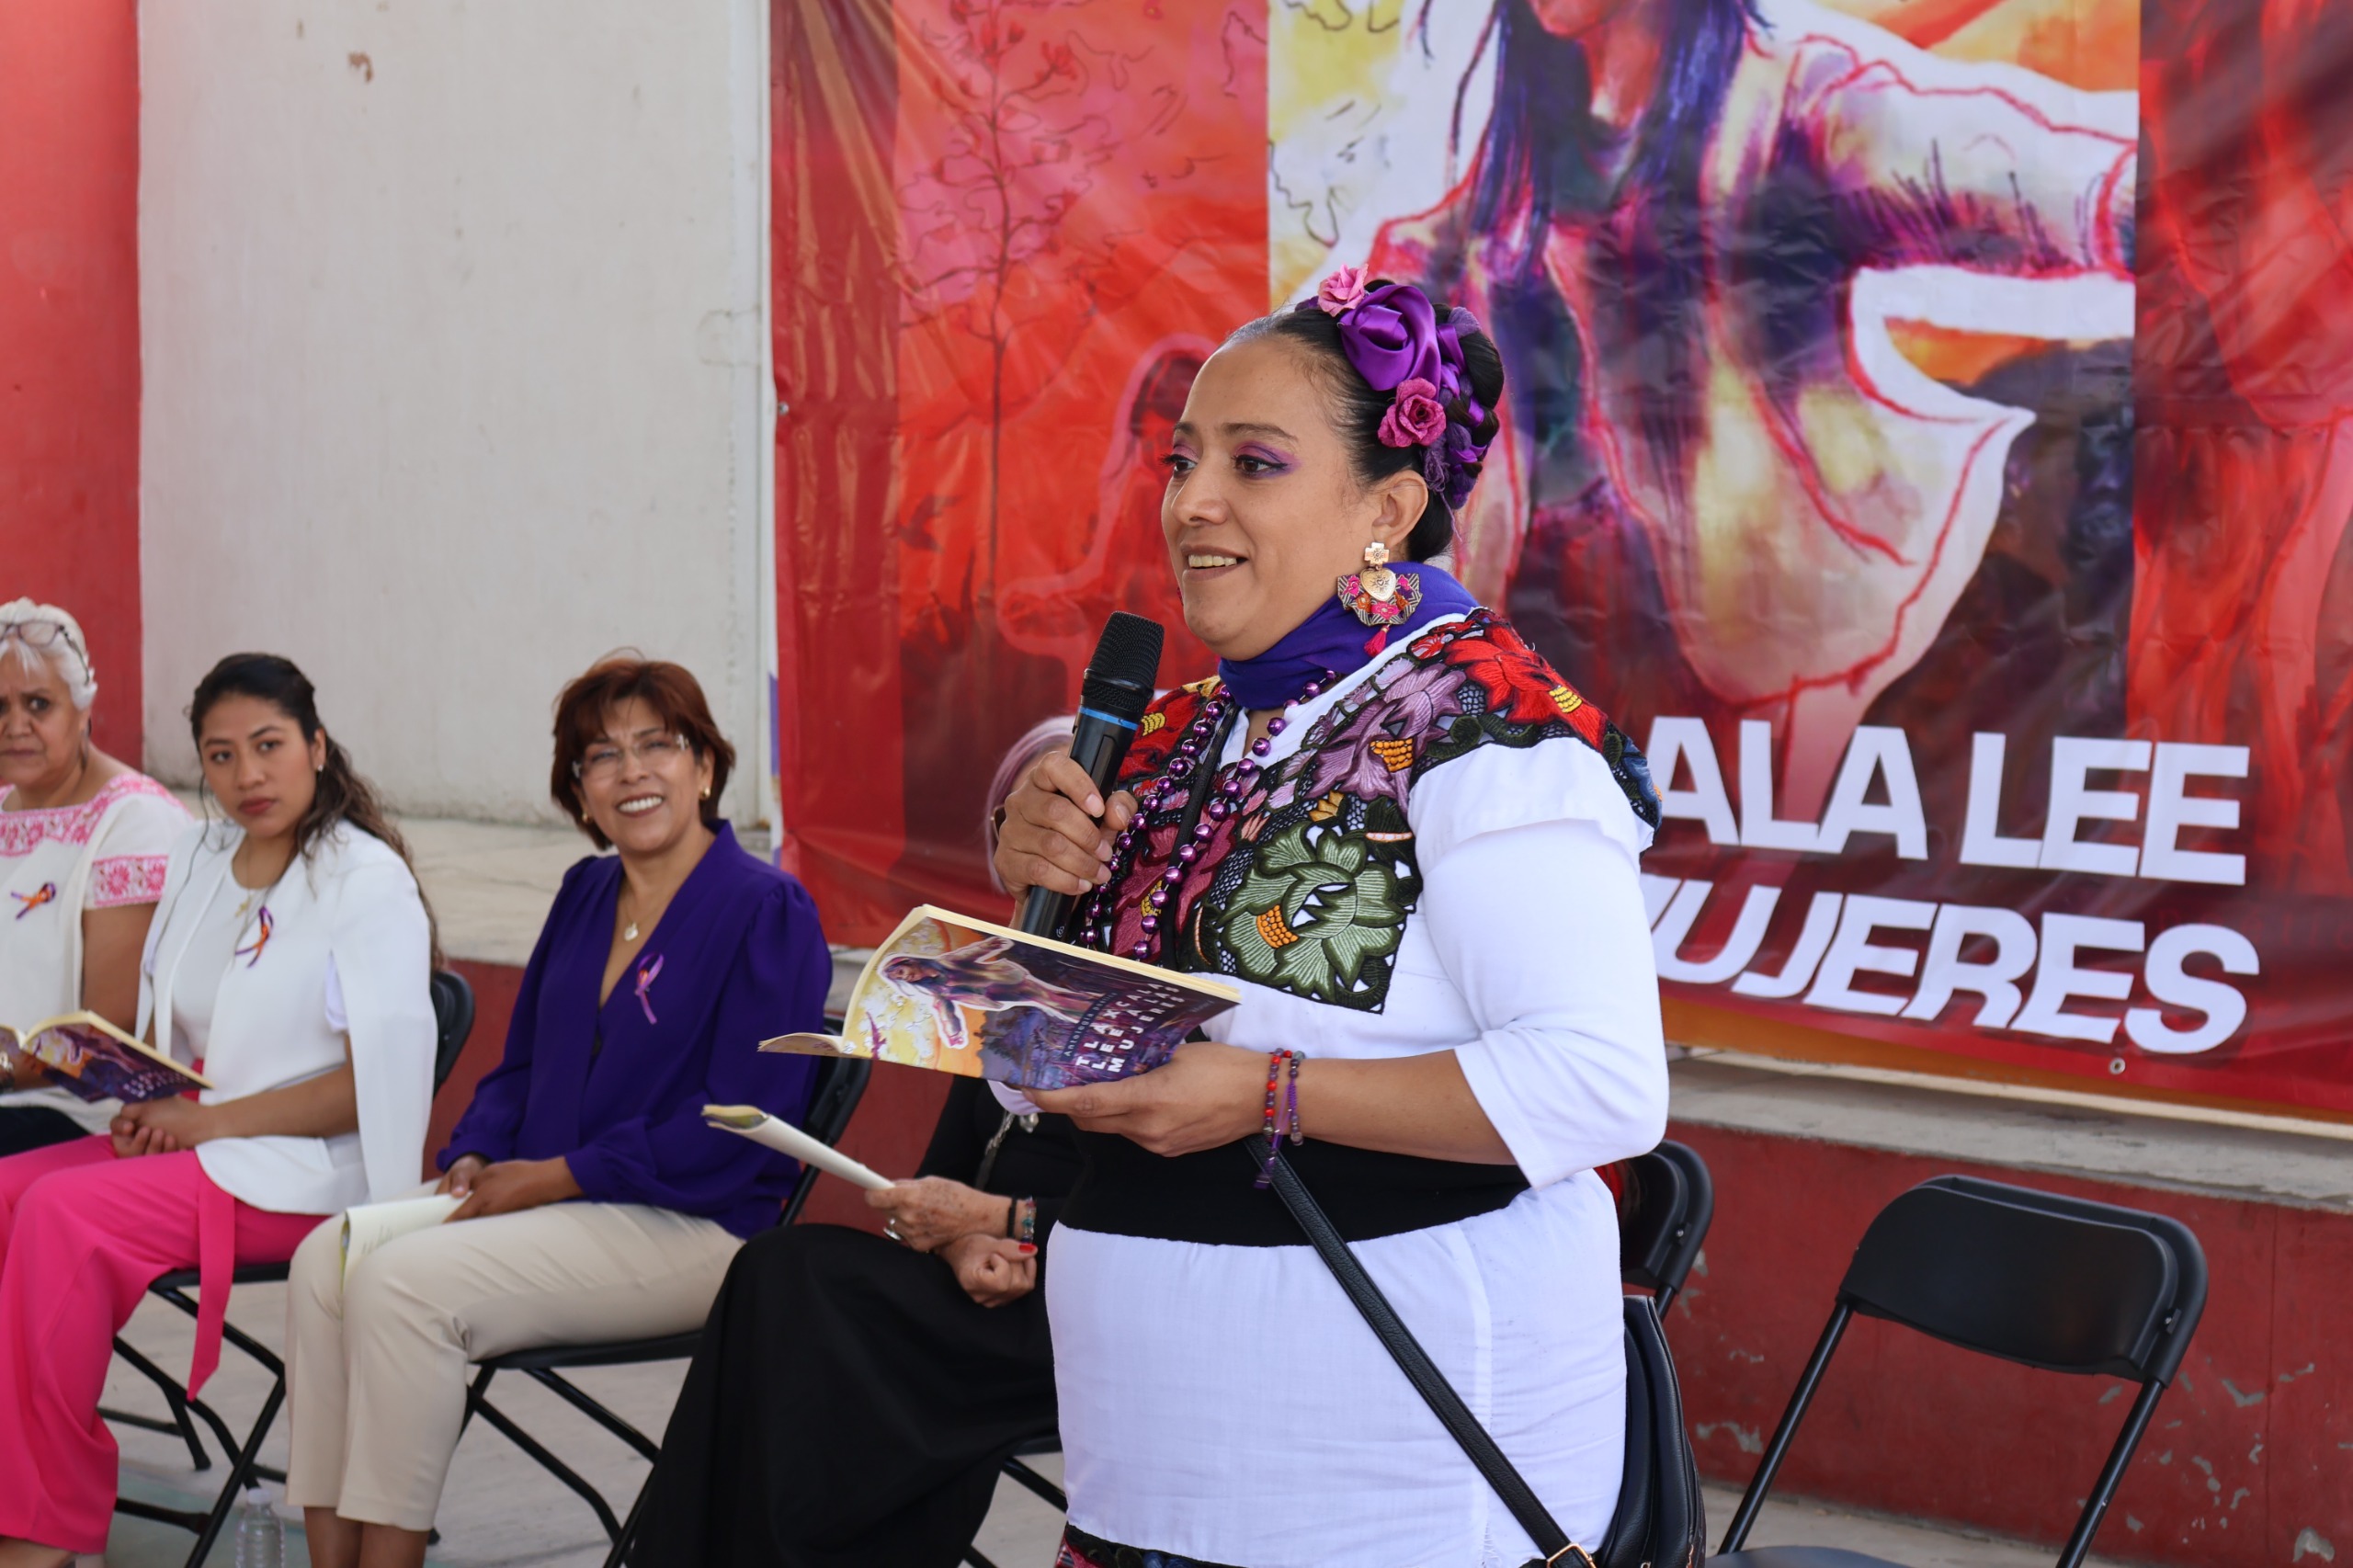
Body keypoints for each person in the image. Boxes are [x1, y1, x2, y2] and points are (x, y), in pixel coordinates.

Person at [992, 272, 1667, 1565]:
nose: (1192, 501)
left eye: (1254, 463)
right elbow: (1046, 1071)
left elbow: (1598, 1083)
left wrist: (1265, 1092)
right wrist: (1030, 923)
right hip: (1144, 1472)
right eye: (1183, 460)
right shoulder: (1172, 737)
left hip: (1399, 1476)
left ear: (1387, 511)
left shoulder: (1489, 733)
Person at [1369, 0, 2140, 812]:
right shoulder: (1518, 157)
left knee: (1738, 860)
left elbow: (2003, 175)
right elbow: (1410, 286)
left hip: (1754, 627)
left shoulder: (1792, 103)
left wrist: (2165, 194)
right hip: (1554, 644)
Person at [285, 656, 832, 1568]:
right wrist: (474, 1150)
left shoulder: (765, 908)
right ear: (579, 791)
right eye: (602, 755)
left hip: (696, 1221)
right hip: (552, 1200)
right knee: (324, 1260)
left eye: (658, 744)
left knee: (400, 1286)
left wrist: (557, 1175)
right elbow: (521, 1066)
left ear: (704, 764)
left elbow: (740, 1118)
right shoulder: (585, 893)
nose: (632, 771)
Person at [0, 653, 438, 1568]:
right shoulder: (201, 855)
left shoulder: (365, 880)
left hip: (305, 1169)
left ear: (317, 746)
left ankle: (42, 1526)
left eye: (269, 746)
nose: (248, 775)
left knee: (59, 1213)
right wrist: (136, 1087)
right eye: (222, 755)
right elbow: (190, 1031)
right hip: (199, 1138)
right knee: (7, 1189)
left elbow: (373, 1086)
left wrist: (207, 1121)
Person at [630, 1075, 1080, 1568]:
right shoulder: (997, 1033)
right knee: (778, 1268)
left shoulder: (1139, 1045)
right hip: (973, 1276)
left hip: (1082, 1315)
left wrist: (1002, 1219)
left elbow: (1142, 1218)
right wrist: (959, 1241)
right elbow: (940, 1179)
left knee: (835, 1336)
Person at [0, 599, 189, 1154]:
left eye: (39, 704)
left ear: (84, 709)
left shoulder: (132, 821)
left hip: (77, 1111)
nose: (15, 726)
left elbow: (107, 1031)